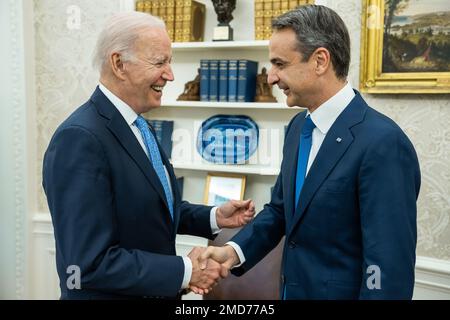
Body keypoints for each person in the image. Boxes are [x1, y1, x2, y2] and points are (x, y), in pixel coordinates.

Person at [198, 5, 420, 300]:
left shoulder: (383, 143)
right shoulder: (297, 127)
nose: (271, 78)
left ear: (320, 60)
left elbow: (388, 268)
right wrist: (233, 251)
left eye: (280, 64)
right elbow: (281, 211)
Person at [42, 12, 255, 300]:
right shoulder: (80, 139)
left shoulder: (139, 125)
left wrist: (215, 217)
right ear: (119, 64)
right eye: (159, 62)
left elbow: (150, 210)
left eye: (170, 61)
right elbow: (87, 264)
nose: (170, 74)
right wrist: (186, 270)